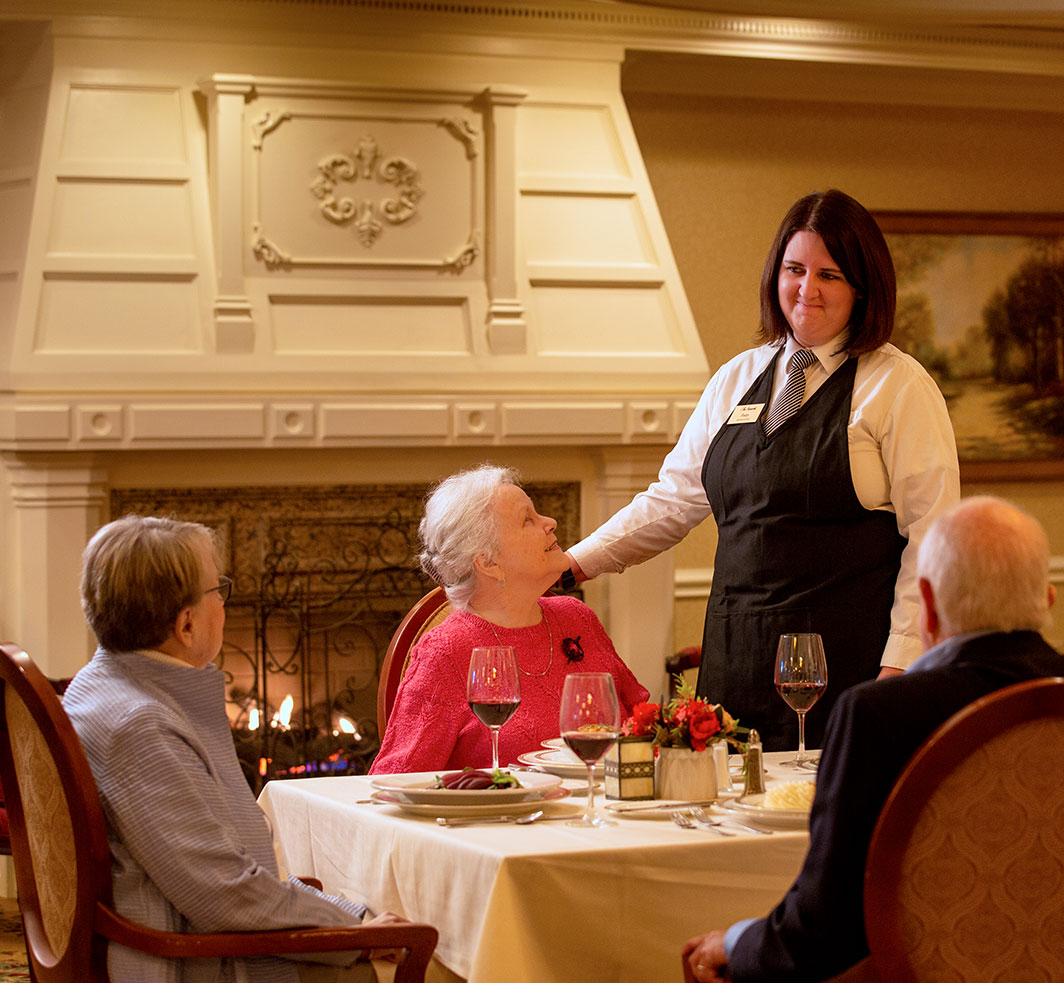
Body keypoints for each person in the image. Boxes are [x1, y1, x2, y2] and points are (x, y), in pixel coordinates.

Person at [682, 497, 1064, 983]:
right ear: (1046, 600)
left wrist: (734, 941)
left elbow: (823, 934)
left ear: (926, 606)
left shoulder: (878, 714)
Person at [566, 189, 959, 749]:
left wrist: (900, 669)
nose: (807, 289)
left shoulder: (898, 387)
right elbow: (674, 498)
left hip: (848, 673)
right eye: (794, 269)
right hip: (735, 666)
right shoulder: (736, 377)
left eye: (830, 275)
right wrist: (573, 565)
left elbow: (934, 544)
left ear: (864, 287)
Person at [62, 515, 412, 983]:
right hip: (201, 962)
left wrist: (353, 917)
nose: (224, 604)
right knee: (442, 962)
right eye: (218, 591)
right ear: (186, 624)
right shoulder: (142, 727)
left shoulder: (100, 683)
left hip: (206, 933)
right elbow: (225, 896)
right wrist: (360, 930)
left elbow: (225, 879)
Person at [371, 464, 648, 774]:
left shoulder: (576, 618)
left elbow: (643, 727)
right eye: (527, 519)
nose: (550, 522)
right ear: (488, 562)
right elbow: (394, 781)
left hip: (601, 814)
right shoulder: (447, 650)